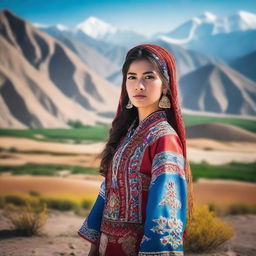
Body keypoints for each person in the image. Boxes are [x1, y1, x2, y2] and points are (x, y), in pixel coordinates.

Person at [77, 44, 194, 256]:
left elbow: (166, 210)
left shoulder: (164, 138)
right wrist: (94, 247)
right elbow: (109, 189)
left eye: (148, 77)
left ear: (165, 86)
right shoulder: (128, 133)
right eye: (132, 77)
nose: (138, 85)